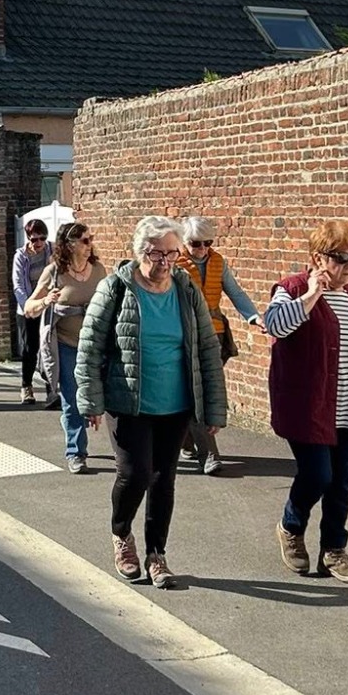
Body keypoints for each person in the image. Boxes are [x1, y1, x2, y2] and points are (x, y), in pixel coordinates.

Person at [76, 215, 226, 588]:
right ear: (140, 252)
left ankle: (157, 554)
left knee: (164, 479)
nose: (165, 262)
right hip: (128, 400)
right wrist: (91, 401)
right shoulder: (116, 288)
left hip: (175, 403)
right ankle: (121, 533)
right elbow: (90, 346)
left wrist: (213, 407)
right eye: (157, 254)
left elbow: (207, 348)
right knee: (135, 474)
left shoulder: (185, 289)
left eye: (172, 254)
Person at [263, 217, 348, 584]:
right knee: (317, 475)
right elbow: (275, 325)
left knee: (341, 482)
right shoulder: (292, 288)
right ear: (317, 258)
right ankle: (291, 526)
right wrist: (311, 295)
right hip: (308, 407)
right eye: (340, 258)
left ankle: (334, 551)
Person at [176, 215, 263, 476]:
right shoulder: (174, 264)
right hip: (185, 335)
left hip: (214, 335)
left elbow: (235, 292)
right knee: (196, 392)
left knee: (199, 391)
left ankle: (187, 440)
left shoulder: (217, 262)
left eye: (208, 243)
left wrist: (254, 317)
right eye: (195, 244)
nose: (202, 249)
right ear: (184, 242)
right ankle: (209, 453)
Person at [24, 221, 105, 472]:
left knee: (101, 395)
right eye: (85, 240)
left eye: (91, 239)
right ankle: (76, 452)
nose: (90, 245)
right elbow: (28, 308)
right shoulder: (54, 272)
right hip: (66, 345)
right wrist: (46, 301)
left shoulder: (99, 270)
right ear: (69, 245)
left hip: (94, 345)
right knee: (72, 398)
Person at [11, 219, 53, 404]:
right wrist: (28, 306)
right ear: (28, 238)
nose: (39, 243)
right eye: (35, 239)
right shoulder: (21, 256)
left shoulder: (52, 251)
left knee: (49, 347)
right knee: (30, 347)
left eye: (42, 238)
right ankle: (26, 386)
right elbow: (18, 285)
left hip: (48, 306)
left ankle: (51, 389)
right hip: (28, 308)